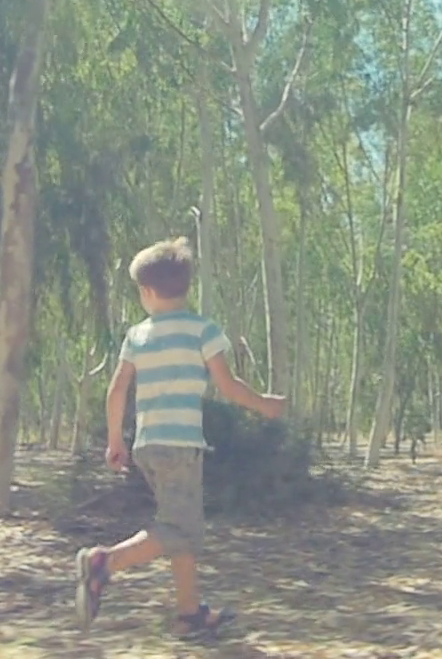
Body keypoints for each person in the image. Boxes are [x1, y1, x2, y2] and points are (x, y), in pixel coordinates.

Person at [74, 236, 285, 638]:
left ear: (149, 292)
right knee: (180, 528)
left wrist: (115, 440)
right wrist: (264, 404)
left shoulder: (137, 335)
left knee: (179, 523)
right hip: (180, 446)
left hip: (148, 445)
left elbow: (117, 389)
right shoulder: (203, 330)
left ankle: (189, 614)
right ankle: (104, 562)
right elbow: (228, 386)